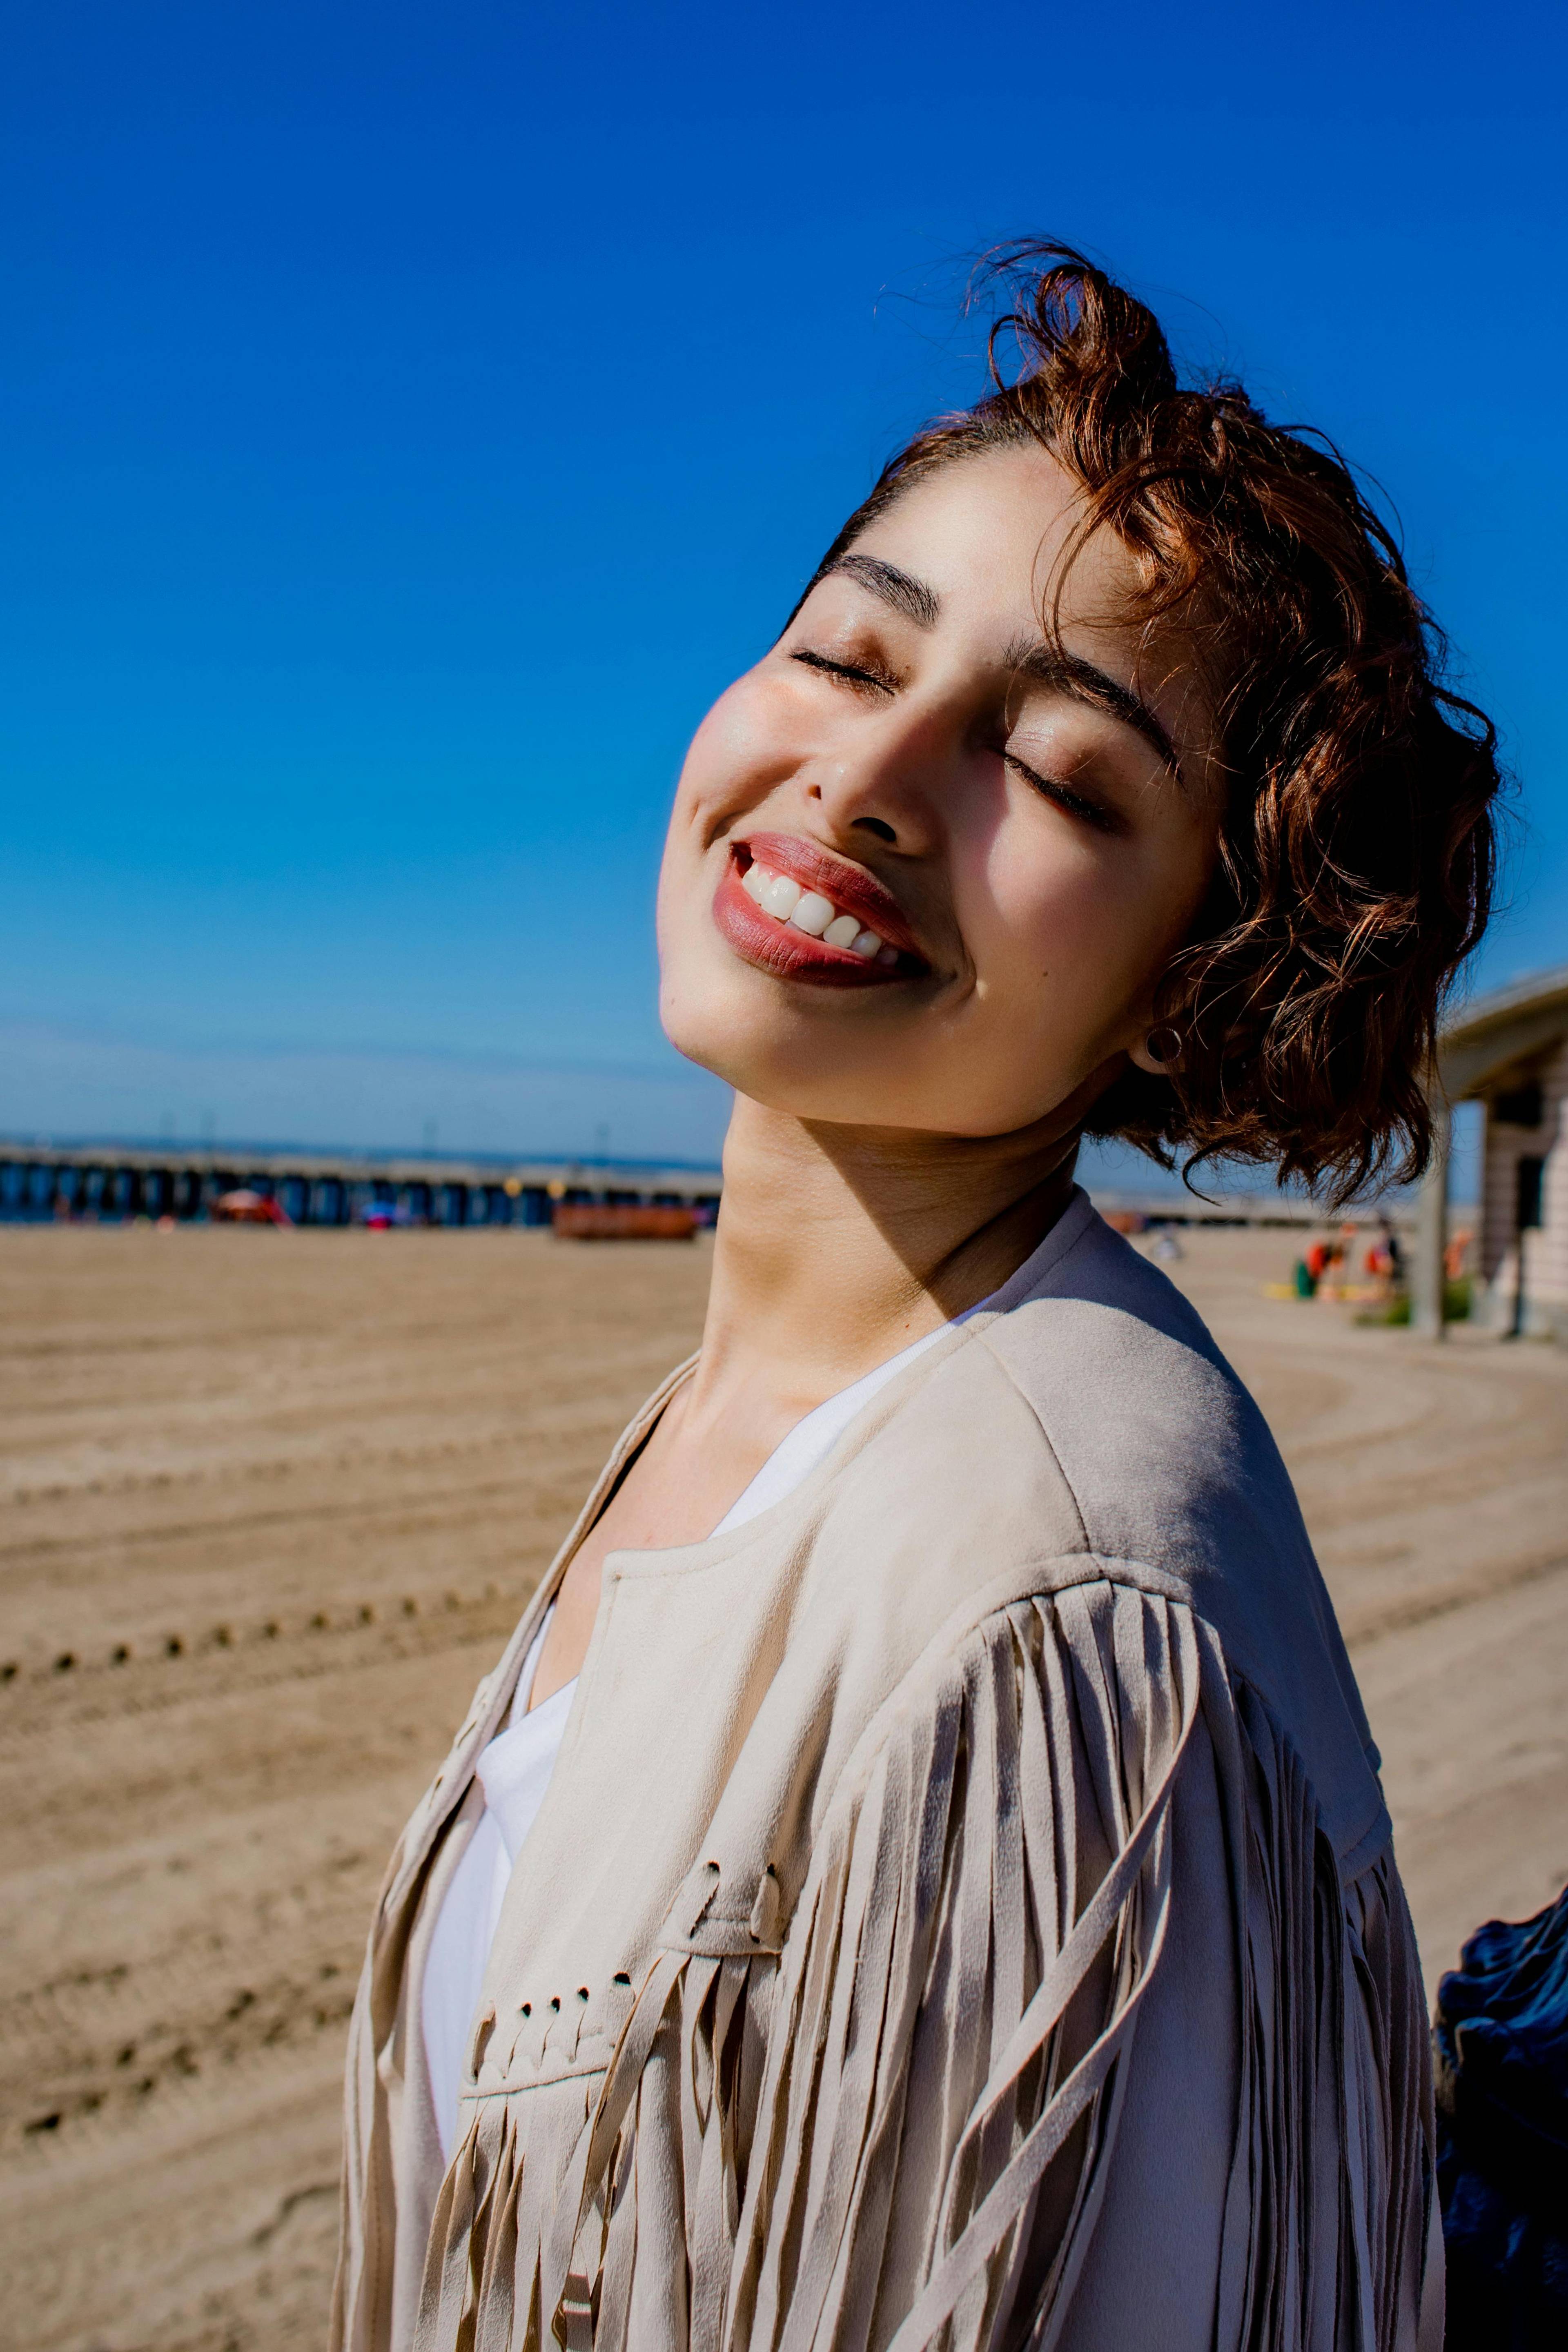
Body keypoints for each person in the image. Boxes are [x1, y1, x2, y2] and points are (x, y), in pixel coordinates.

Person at [333, 244, 1500, 2352]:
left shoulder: (1064, 1615)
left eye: (1062, 780)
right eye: (851, 656)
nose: (870, 782)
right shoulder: (760, 1412)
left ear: (1188, 988)